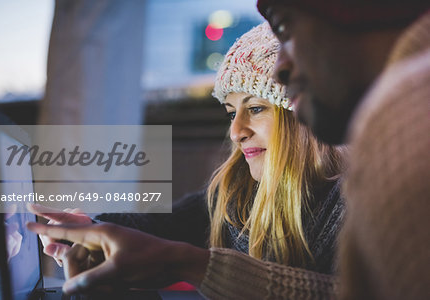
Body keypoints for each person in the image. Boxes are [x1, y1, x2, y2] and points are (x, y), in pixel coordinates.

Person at [28, 23, 346, 298]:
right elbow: (165, 227)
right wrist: (94, 230)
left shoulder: (356, 208)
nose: (236, 132)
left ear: (305, 116)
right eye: (232, 113)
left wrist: (191, 263)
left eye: (256, 108)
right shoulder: (234, 192)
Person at [256, 0, 430, 299]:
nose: (278, 70)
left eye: (285, 28)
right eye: (230, 112)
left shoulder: (407, 122)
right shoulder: (226, 195)